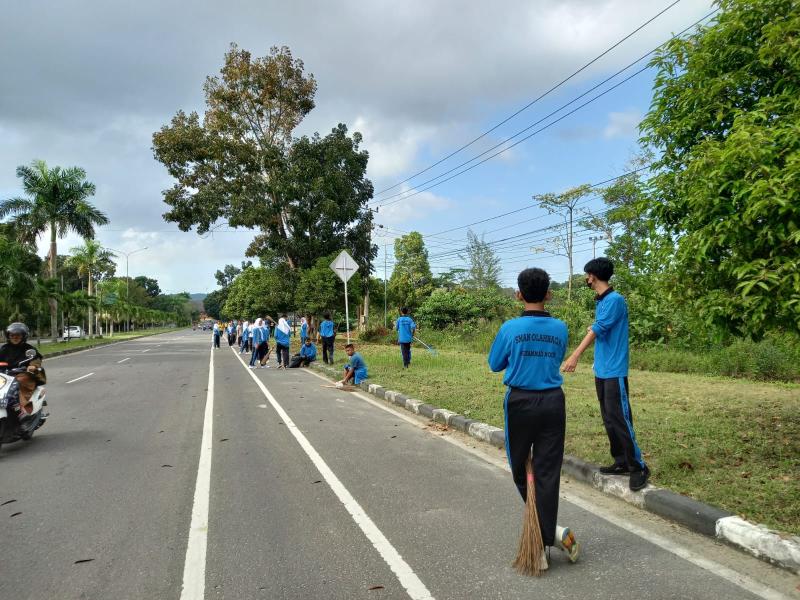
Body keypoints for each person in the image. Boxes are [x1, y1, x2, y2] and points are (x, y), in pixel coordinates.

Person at [488, 268, 579, 569]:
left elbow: (494, 364)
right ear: (549, 295)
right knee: (548, 472)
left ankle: (540, 536)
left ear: (519, 295)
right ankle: (546, 530)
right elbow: (556, 358)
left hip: (521, 403)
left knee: (518, 468)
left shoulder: (510, 328)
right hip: (554, 403)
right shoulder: (561, 328)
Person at [562, 257, 650, 492]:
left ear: (593, 275)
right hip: (602, 369)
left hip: (615, 370)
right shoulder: (602, 302)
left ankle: (638, 466)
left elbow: (597, 330)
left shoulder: (614, 300)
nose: (586, 279)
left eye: (587, 275)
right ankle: (620, 461)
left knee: (620, 417)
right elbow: (599, 329)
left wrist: (575, 356)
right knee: (609, 417)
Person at [0, 323, 46, 414]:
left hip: (23, 373)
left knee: (22, 380)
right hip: (5, 374)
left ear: (23, 336)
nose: (15, 337)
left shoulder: (29, 348)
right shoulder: (3, 349)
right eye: (12, 335)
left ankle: (25, 406)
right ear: (8, 336)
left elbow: (36, 360)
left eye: (18, 335)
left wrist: (33, 366)